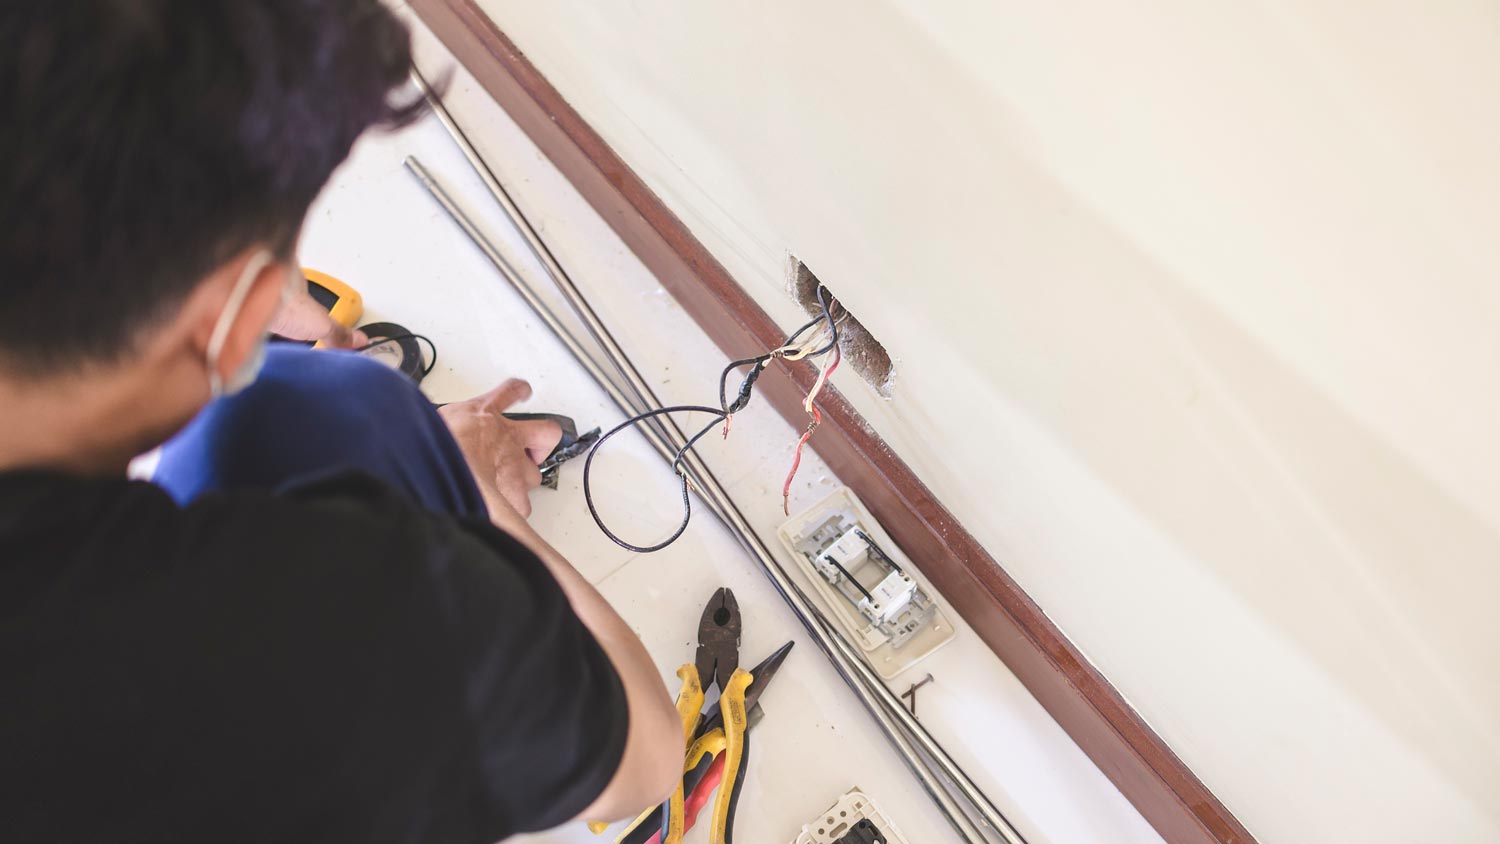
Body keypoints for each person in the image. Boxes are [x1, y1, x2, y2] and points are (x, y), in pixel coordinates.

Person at [0, 2, 683, 841]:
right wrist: (483, 504)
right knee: (318, 409)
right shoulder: (312, 619)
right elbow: (644, 757)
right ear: (232, 311)